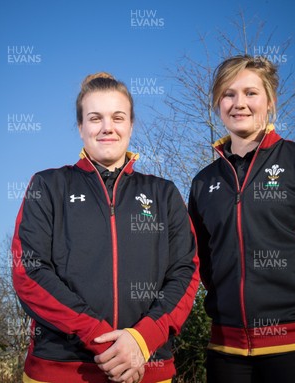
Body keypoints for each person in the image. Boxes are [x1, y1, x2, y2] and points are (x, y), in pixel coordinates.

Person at [188, 55, 295, 383]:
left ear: (270, 101)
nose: (239, 103)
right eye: (228, 94)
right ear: (217, 103)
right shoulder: (202, 183)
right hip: (228, 354)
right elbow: (205, 263)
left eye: (250, 93)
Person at [12, 72, 200, 383]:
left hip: (146, 369)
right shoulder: (47, 185)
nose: (107, 127)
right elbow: (28, 271)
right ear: (80, 126)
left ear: (131, 124)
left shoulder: (164, 193)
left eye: (118, 117)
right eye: (95, 117)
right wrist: (100, 336)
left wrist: (142, 338)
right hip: (62, 371)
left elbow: (186, 271)